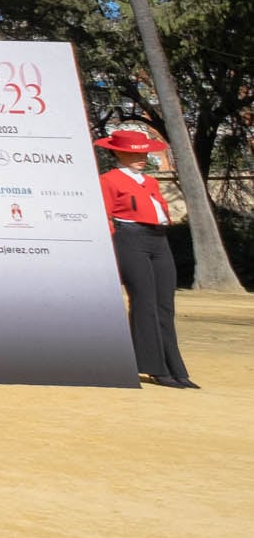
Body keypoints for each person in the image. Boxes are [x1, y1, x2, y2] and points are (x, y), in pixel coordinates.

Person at [98, 128, 194, 387]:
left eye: (145, 154)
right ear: (118, 152)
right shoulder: (109, 180)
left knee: (165, 304)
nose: (143, 159)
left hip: (159, 239)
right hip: (130, 237)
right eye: (135, 154)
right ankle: (154, 367)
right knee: (144, 301)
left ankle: (175, 368)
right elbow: (104, 215)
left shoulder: (150, 181)